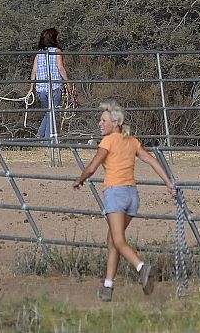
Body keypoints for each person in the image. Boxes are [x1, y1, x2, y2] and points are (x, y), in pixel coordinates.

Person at [73, 101, 176, 302]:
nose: (99, 124)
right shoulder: (132, 141)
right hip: (132, 197)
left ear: (116, 123)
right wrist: (168, 183)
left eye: (103, 120)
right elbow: (152, 160)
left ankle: (141, 267)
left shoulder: (108, 142)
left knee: (118, 241)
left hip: (116, 194)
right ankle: (107, 287)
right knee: (113, 241)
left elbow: (93, 166)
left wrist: (80, 179)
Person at [27, 28, 71, 139]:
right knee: (52, 113)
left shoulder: (39, 54)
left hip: (40, 89)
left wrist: (31, 88)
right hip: (54, 87)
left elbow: (34, 71)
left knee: (48, 112)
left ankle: (40, 136)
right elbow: (61, 68)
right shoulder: (57, 51)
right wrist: (68, 83)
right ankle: (47, 140)